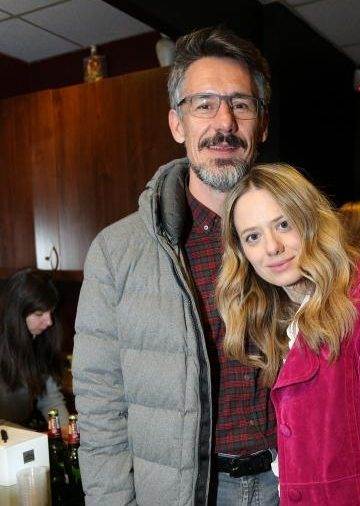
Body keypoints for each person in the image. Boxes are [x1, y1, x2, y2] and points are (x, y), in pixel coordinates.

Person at [73, 27, 278, 505]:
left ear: (262, 124)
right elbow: (101, 406)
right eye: (203, 104)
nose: (224, 122)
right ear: (177, 124)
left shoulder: (301, 238)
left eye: (241, 104)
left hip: (291, 483)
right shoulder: (116, 252)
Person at [216, 163, 360, 505]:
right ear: (242, 252)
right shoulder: (280, 320)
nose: (272, 247)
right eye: (253, 236)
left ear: (311, 221)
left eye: (283, 224)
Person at [0, 268, 68, 428]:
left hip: (22, 434)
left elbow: (50, 400)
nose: (49, 321)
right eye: (39, 314)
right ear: (16, 314)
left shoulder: (40, 340)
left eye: (51, 312)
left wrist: (65, 431)